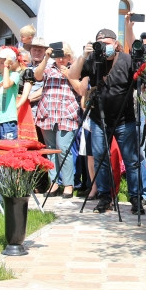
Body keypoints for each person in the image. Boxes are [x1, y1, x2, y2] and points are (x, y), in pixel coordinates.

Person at [69, 29, 144, 213]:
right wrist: (83, 55)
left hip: (124, 119)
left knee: (132, 160)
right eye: (100, 43)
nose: (104, 46)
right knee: (101, 159)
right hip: (99, 119)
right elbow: (73, 75)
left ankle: (136, 198)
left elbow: (140, 79)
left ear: (115, 43)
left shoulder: (126, 59)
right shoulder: (93, 59)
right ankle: (105, 198)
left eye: (107, 43)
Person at [35, 44, 86, 198]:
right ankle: (54, 183)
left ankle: (68, 184)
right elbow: (37, 76)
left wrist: (68, 75)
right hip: (48, 112)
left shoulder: (74, 69)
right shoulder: (48, 68)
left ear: (70, 57)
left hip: (66, 113)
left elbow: (80, 90)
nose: (61, 59)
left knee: (64, 149)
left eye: (64, 56)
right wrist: (46, 57)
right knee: (50, 149)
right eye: (58, 56)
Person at [0, 47, 21, 140]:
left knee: (8, 147)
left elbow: (6, 85)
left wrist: (6, 67)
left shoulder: (14, 75)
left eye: (2, 62)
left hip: (8, 119)